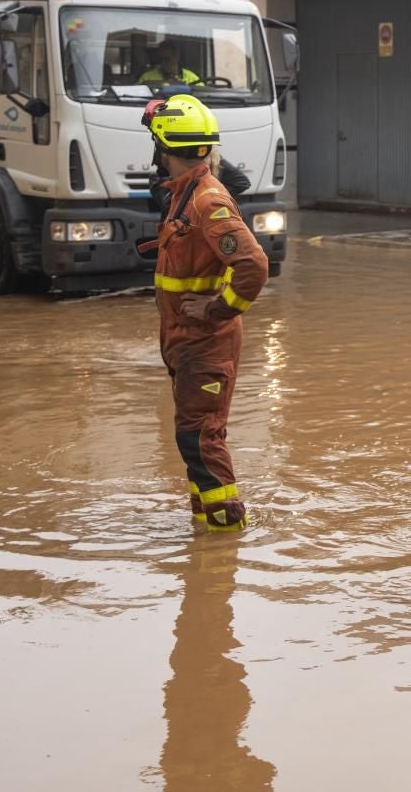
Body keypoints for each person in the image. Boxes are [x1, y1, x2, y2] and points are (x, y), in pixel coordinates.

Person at [144, 94, 269, 532]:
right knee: (193, 437)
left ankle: (225, 535)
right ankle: (206, 529)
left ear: (163, 149)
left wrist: (218, 308)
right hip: (185, 341)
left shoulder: (206, 202)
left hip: (205, 340)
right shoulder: (186, 194)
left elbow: (253, 265)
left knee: (200, 438)